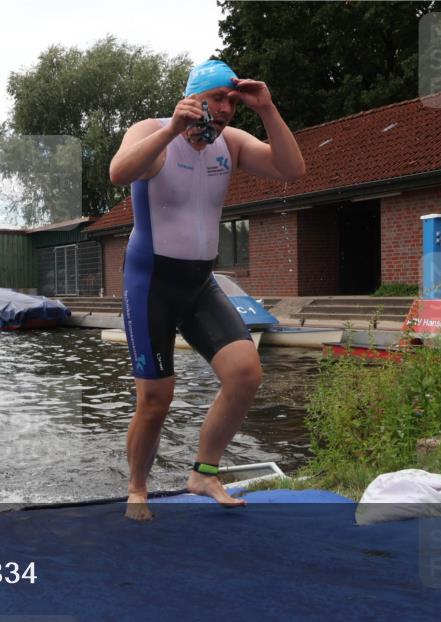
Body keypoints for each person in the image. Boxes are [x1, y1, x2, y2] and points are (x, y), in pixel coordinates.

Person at [109, 60, 305, 521]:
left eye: (233, 102)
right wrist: (173, 128)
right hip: (151, 282)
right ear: (194, 97)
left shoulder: (231, 144)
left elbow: (291, 169)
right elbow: (119, 172)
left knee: (245, 373)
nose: (226, 110)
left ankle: (203, 472)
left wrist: (269, 109)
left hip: (200, 283)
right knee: (156, 399)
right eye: (218, 99)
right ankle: (137, 487)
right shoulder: (154, 131)